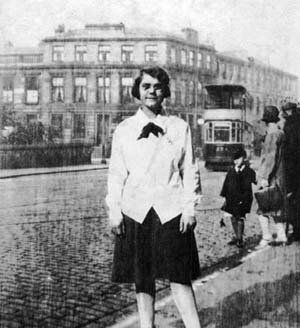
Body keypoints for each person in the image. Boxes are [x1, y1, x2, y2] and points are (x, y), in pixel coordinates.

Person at [106, 66, 201, 328]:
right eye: (146, 86)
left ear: (165, 91)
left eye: (157, 86)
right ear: (137, 90)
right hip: (136, 212)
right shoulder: (124, 129)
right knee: (142, 277)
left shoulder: (179, 127)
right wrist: (114, 211)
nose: (152, 91)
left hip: (171, 212)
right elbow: (116, 174)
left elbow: (190, 169)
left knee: (180, 277)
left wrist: (189, 208)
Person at [257, 105, 287, 247]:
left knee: (262, 208)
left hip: (271, 177)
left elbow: (270, 157)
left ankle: (266, 236)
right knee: (276, 208)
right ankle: (282, 236)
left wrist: (264, 177)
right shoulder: (280, 132)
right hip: (279, 176)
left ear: (267, 121)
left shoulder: (272, 134)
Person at [220, 148, 256, 248]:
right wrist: (224, 197)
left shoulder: (248, 171)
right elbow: (226, 184)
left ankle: (240, 239)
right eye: (234, 159)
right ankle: (237, 236)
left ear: (244, 158)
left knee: (240, 217)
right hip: (231, 198)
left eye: (238, 158)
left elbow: (255, 180)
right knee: (232, 217)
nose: (236, 161)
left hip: (244, 198)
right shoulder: (231, 171)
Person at [281, 102, 300, 242]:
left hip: (293, 168)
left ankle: (297, 230)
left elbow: (289, 151)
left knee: (293, 201)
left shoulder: (290, 126)